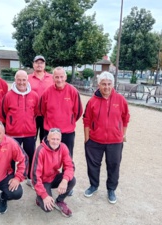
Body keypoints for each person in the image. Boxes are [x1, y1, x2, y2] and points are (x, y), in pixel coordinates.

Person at [83, 71, 130, 204]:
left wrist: (123, 134)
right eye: (103, 84)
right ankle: (93, 185)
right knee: (93, 165)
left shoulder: (120, 100)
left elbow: (126, 117)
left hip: (115, 141)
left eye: (109, 84)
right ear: (99, 85)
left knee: (114, 165)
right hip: (95, 140)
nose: (106, 87)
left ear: (113, 85)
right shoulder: (92, 101)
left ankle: (111, 189)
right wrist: (87, 138)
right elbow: (86, 120)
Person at [2, 70, 39, 189]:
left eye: (24, 79)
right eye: (19, 79)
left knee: (30, 156)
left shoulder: (34, 95)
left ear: (27, 80)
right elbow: (4, 112)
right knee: (11, 157)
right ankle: (11, 178)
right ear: (15, 80)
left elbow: (37, 112)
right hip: (13, 134)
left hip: (29, 133)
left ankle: (29, 178)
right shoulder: (8, 95)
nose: (21, 82)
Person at [31, 128, 76, 218]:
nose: (55, 142)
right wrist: (44, 195)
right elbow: (35, 176)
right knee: (48, 208)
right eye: (53, 139)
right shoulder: (40, 150)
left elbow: (70, 166)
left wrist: (64, 180)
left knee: (72, 180)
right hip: (43, 181)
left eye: (57, 139)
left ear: (60, 140)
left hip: (54, 176)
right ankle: (39, 198)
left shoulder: (63, 147)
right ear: (48, 138)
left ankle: (59, 201)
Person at [39, 66, 83, 158]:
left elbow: (78, 112)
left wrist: (69, 121)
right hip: (50, 131)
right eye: (57, 77)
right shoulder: (47, 92)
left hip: (67, 132)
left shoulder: (73, 91)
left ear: (66, 77)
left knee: (67, 157)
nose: (59, 80)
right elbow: (42, 111)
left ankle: (67, 173)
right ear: (53, 78)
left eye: (61, 77)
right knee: (49, 158)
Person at [28, 55, 53, 142]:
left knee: (45, 140)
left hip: (46, 115)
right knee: (31, 140)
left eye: (41, 63)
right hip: (32, 114)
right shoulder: (27, 78)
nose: (39, 65)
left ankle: (43, 156)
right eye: (37, 62)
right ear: (33, 64)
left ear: (45, 64)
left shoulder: (52, 78)